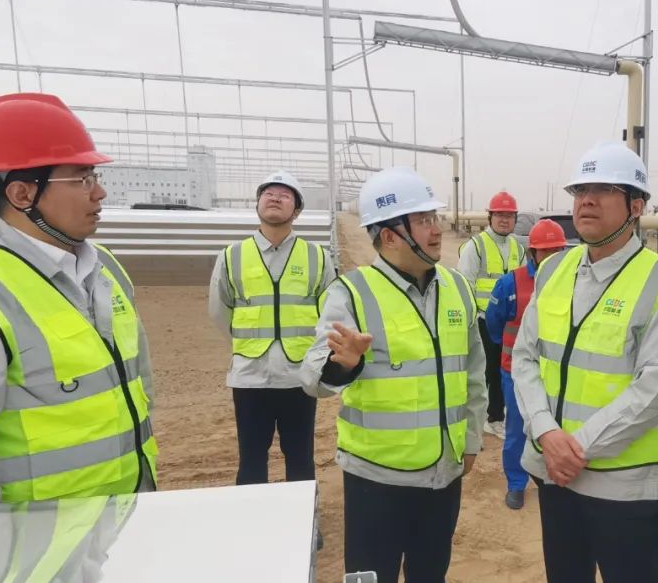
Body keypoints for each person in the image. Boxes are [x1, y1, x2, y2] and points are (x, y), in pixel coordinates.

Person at [0, 93, 157, 505]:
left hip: (131, 510)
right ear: (22, 195)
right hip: (40, 536)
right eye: (83, 179)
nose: (100, 193)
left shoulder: (106, 268)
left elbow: (139, 383)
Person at [513, 141, 658, 582]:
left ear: (636, 206)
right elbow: (525, 357)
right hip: (554, 473)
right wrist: (546, 432)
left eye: (602, 190)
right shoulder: (554, 269)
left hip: (622, 486)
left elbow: (655, 390)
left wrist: (574, 448)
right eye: (580, 191)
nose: (586, 201)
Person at [302, 166, 487, 583]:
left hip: (443, 472)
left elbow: (475, 372)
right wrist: (344, 364)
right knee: (371, 577)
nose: (436, 229)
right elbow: (311, 379)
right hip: (376, 479)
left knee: (430, 574)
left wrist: (472, 439)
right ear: (389, 236)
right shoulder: (351, 293)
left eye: (434, 217)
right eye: (423, 220)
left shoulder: (458, 288)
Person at [208, 170, 334, 486]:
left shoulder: (318, 257)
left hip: (299, 376)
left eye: (285, 194)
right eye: (268, 192)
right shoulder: (232, 256)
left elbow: (330, 314)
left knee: (300, 458)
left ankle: (305, 516)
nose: (275, 198)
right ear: (257, 204)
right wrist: (247, 345)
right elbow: (220, 311)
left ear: (297, 210)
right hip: (250, 377)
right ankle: (252, 517)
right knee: (251, 459)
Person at [485, 219, 568, 510]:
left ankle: (550, 478)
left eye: (557, 251)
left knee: (555, 428)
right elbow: (494, 324)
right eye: (546, 251)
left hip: (556, 373)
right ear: (533, 252)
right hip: (516, 372)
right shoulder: (511, 283)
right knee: (518, 430)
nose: (552, 257)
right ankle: (516, 483)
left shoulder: (573, 282)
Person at [459, 190, 525, 437]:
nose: (504, 220)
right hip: (484, 320)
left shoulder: (517, 246)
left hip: (510, 322)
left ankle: (497, 413)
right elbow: (465, 283)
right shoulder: (476, 246)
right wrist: (471, 319)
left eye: (509, 216)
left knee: (506, 369)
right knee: (486, 370)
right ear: (490, 217)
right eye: (500, 215)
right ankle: (491, 418)